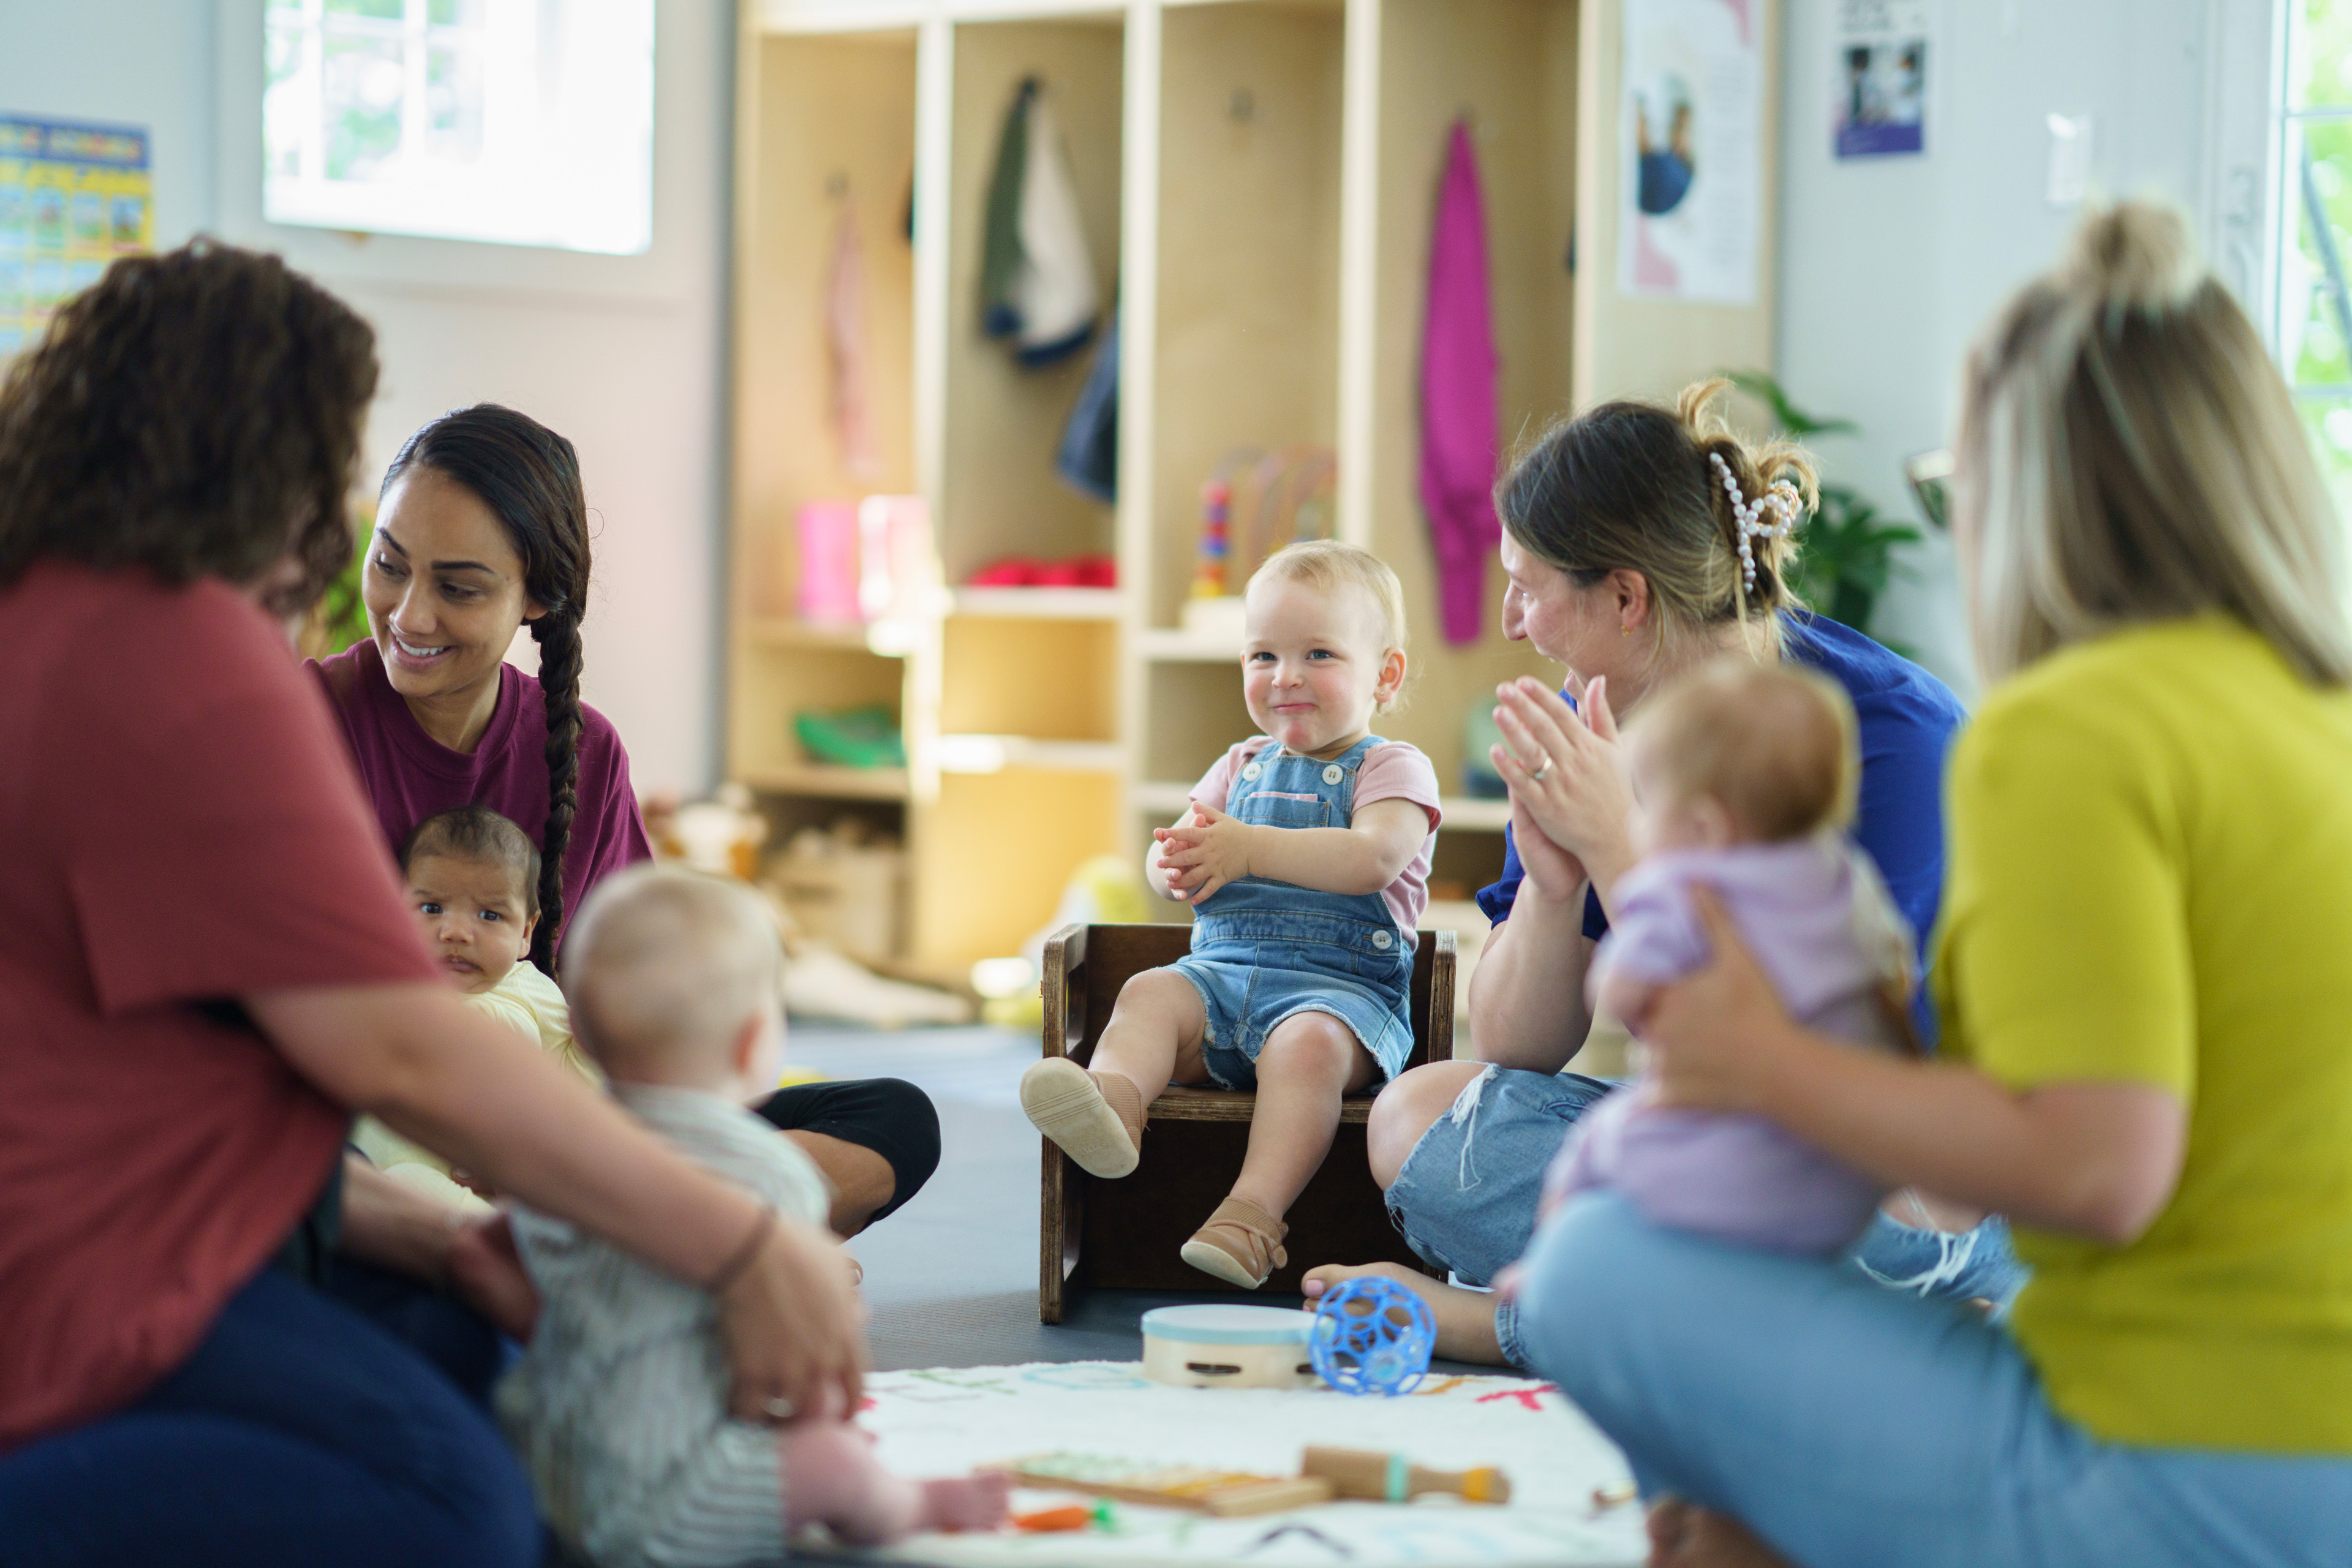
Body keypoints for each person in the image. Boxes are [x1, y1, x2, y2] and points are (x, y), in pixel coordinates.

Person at [0, 241, 863, 1567]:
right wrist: (744, 1240)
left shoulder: (52, 613)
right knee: (464, 1510)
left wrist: (454, 1233)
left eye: (457, 580)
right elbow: (395, 1046)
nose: (369, 561)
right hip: (86, 1256)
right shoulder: (201, 667)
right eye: (342, 481)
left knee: (471, 1341)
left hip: (226, 1195)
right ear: (271, 469)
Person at [1516, 202, 2352, 1568]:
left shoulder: (2072, 729)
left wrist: (1769, 1056)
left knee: (1600, 1262)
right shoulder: (2324, 718)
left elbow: (2095, 1168)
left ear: (2016, 491)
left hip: (2165, 1468)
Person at [1304, 378, 2010, 1366]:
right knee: (1419, 1122)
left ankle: (1516, 1324)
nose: (1513, 619)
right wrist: (1554, 889)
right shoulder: (1601, 708)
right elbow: (1519, 1049)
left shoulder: (1891, 740)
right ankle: (1812, 1332)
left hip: (1919, 1159)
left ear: (1626, 598)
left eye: (1528, 584)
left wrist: (1619, 850)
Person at [312, 404, 938, 1239]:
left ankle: (640, 1232)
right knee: (320, 1167)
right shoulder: (305, 722)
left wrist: (560, 1135)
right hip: (381, 1123)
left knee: (897, 1117)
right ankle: (695, 1240)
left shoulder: (586, 751)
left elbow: (621, 1016)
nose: (409, 614)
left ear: (536, 596)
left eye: (457, 587)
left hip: (558, 1125)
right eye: (390, 565)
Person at [501, 867, 1009, 1566]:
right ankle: (908, 1506)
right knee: (834, 1459)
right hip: (669, 1505)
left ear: (580, 1040)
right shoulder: (767, 1172)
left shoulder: (562, 1157)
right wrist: (818, 1433)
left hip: (542, 1479)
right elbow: (797, 1352)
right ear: (751, 1044)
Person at [1019, 541, 1442, 1289]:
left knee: (1304, 1048)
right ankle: (1115, 1104)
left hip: (1337, 999)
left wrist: (1247, 851)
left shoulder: (1393, 769)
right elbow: (1175, 848)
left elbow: (1371, 858)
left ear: (1386, 672)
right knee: (1149, 992)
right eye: (1262, 656)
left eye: (1318, 653)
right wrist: (1172, 864)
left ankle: (1252, 1217)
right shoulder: (1238, 764)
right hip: (1221, 982)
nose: (1286, 677)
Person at [1542, 662, 1913, 1257]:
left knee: (1597, 1141)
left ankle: (1544, 1270)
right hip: (1844, 1184)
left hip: (1738, 1170)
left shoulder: (1684, 889)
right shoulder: (1849, 878)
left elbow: (1615, 993)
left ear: (1703, 827)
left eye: (1647, 802)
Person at [355, 806, 595, 1213]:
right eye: (431, 909)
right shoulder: (382, 988)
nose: (456, 933)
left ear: (525, 933)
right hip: (379, 1173)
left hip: (479, 1186)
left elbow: (585, 1086)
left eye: (489, 915)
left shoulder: (532, 991)